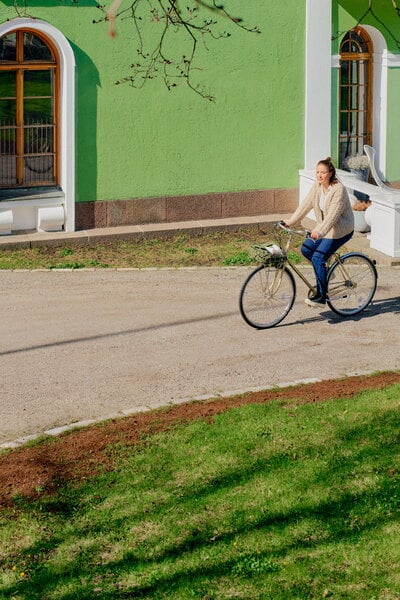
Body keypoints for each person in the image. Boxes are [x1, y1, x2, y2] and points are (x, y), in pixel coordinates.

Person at [284, 157, 354, 308]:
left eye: (323, 172)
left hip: (340, 230)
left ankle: (322, 297)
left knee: (318, 257)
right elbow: (305, 205)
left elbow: (332, 217)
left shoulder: (338, 190)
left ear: (330, 173)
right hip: (324, 229)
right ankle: (326, 272)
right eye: (317, 172)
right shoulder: (317, 186)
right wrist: (290, 221)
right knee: (306, 249)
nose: (319, 175)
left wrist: (319, 232)